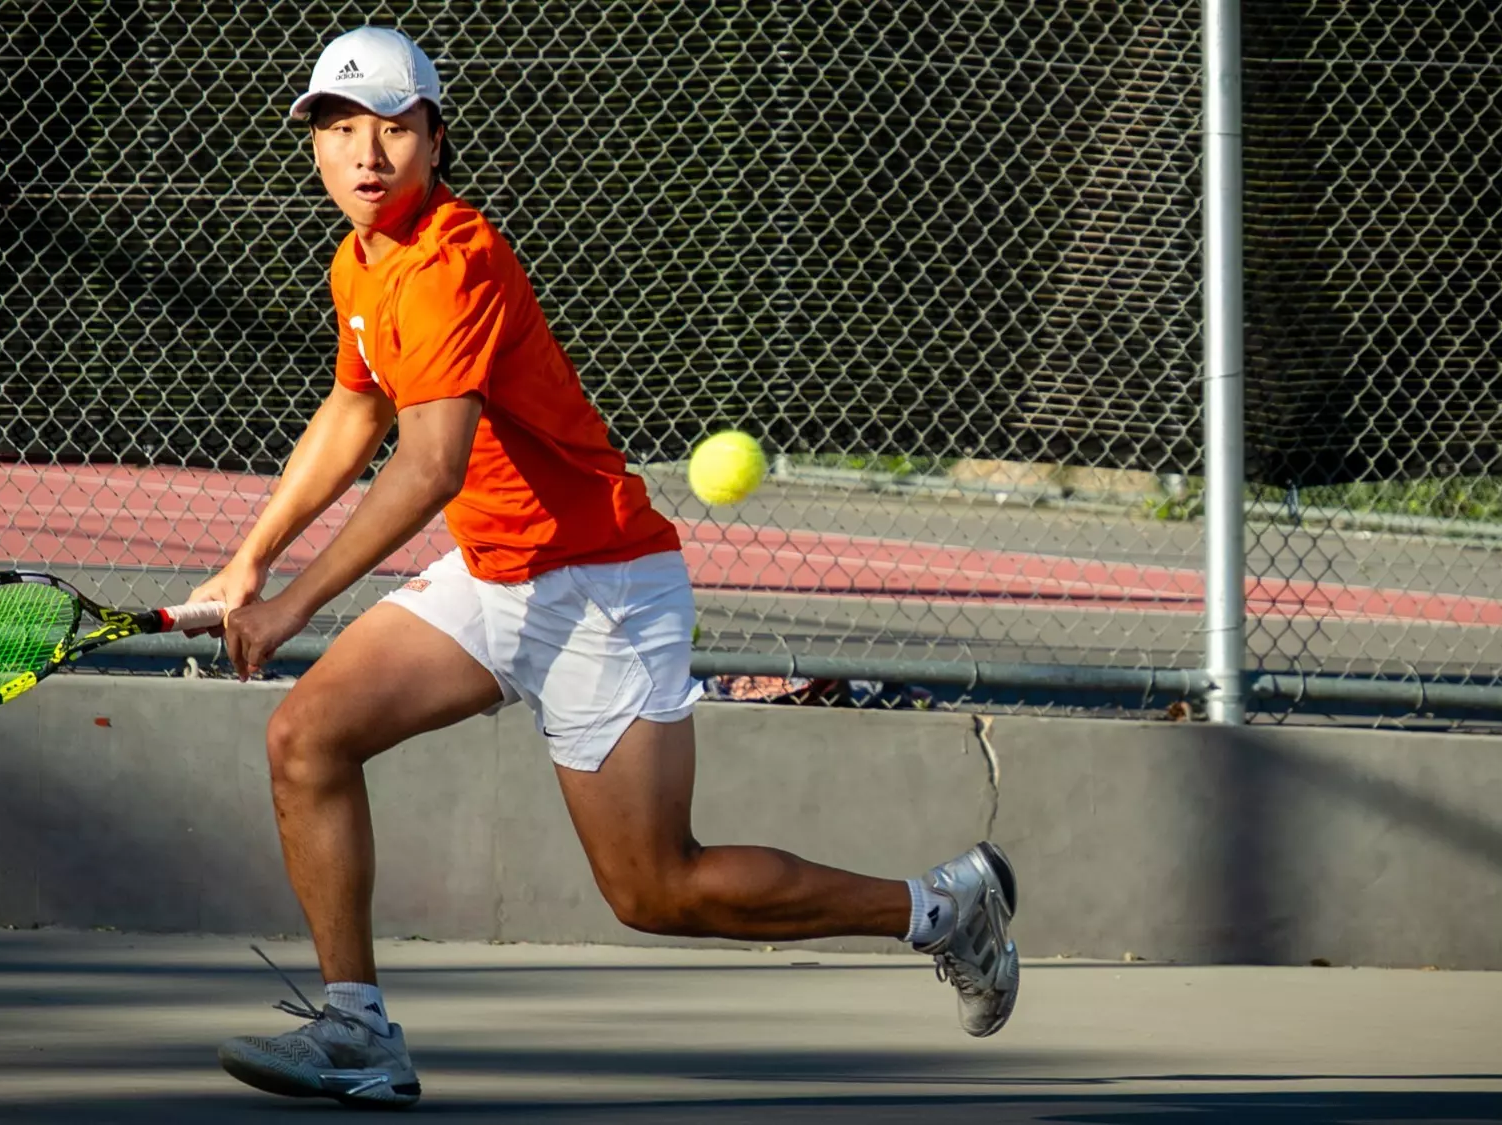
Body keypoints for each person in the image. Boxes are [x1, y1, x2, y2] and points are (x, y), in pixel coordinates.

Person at [192, 26, 1018, 1109]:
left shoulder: (451, 263)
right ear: (312, 146)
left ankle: (942, 909)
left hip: (599, 590)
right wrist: (249, 557)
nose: (365, 153)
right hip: (492, 575)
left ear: (436, 139)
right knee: (306, 738)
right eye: (340, 130)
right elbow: (356, 408)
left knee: (654, 887)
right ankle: (357, 1033)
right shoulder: (361, 260)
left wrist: (296, 600)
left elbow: (430, 464)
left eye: (392, 129)